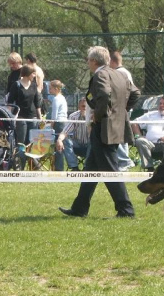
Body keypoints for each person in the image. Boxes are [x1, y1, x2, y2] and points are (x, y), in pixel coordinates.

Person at [59, 46, 139, 218]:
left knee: (110, 170)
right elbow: (135, 93)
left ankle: (126, 210)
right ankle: (80, 208)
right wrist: (120, 111)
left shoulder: (100, 75)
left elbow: (102, 95)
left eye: (88, 60)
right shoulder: (120, 74)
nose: (88, 63)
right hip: (112, 127)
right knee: (91, 168)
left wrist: (99, 115)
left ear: (94, 61)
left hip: (103, 129)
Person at [132, 95, 164, 171]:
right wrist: (139, 135)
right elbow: (134, 123)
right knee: (140, 140)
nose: (161, 106)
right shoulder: (150, 115)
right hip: (151, 145)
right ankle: (149, 168)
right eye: (160, 103)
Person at [110, 50, 135, 171]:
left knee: (116, 134)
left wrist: (123, 107)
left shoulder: (119, 73)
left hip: (119, 109)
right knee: (122, 136)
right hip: (123, 108)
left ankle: (124, 161)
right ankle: (124, 162)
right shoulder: (125, 73)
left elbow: (132, 92)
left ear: (112, 61)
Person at [55, 97, 90, 171]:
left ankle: (87, 167)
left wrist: (88, 119)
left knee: (94, 142)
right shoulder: (73, 116)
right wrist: (59, 140)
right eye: (83, 106)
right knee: (64, 140)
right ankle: (74, 167)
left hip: (89, 146)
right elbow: (65, 131)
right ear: (79, 107)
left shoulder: (93, 117)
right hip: (76, 145)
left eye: (87, 106)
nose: (85, 108)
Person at [49, 80, 68, 171]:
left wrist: (51, 125)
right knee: (61, 145)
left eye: (51, 88)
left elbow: (54, 115)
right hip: (64, 122)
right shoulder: (62, 97)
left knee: (58, 145)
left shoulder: (56, 99)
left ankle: (59, 168)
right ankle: (59, 167)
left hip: (59, 123)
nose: (49, 90)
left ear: (56, 89)